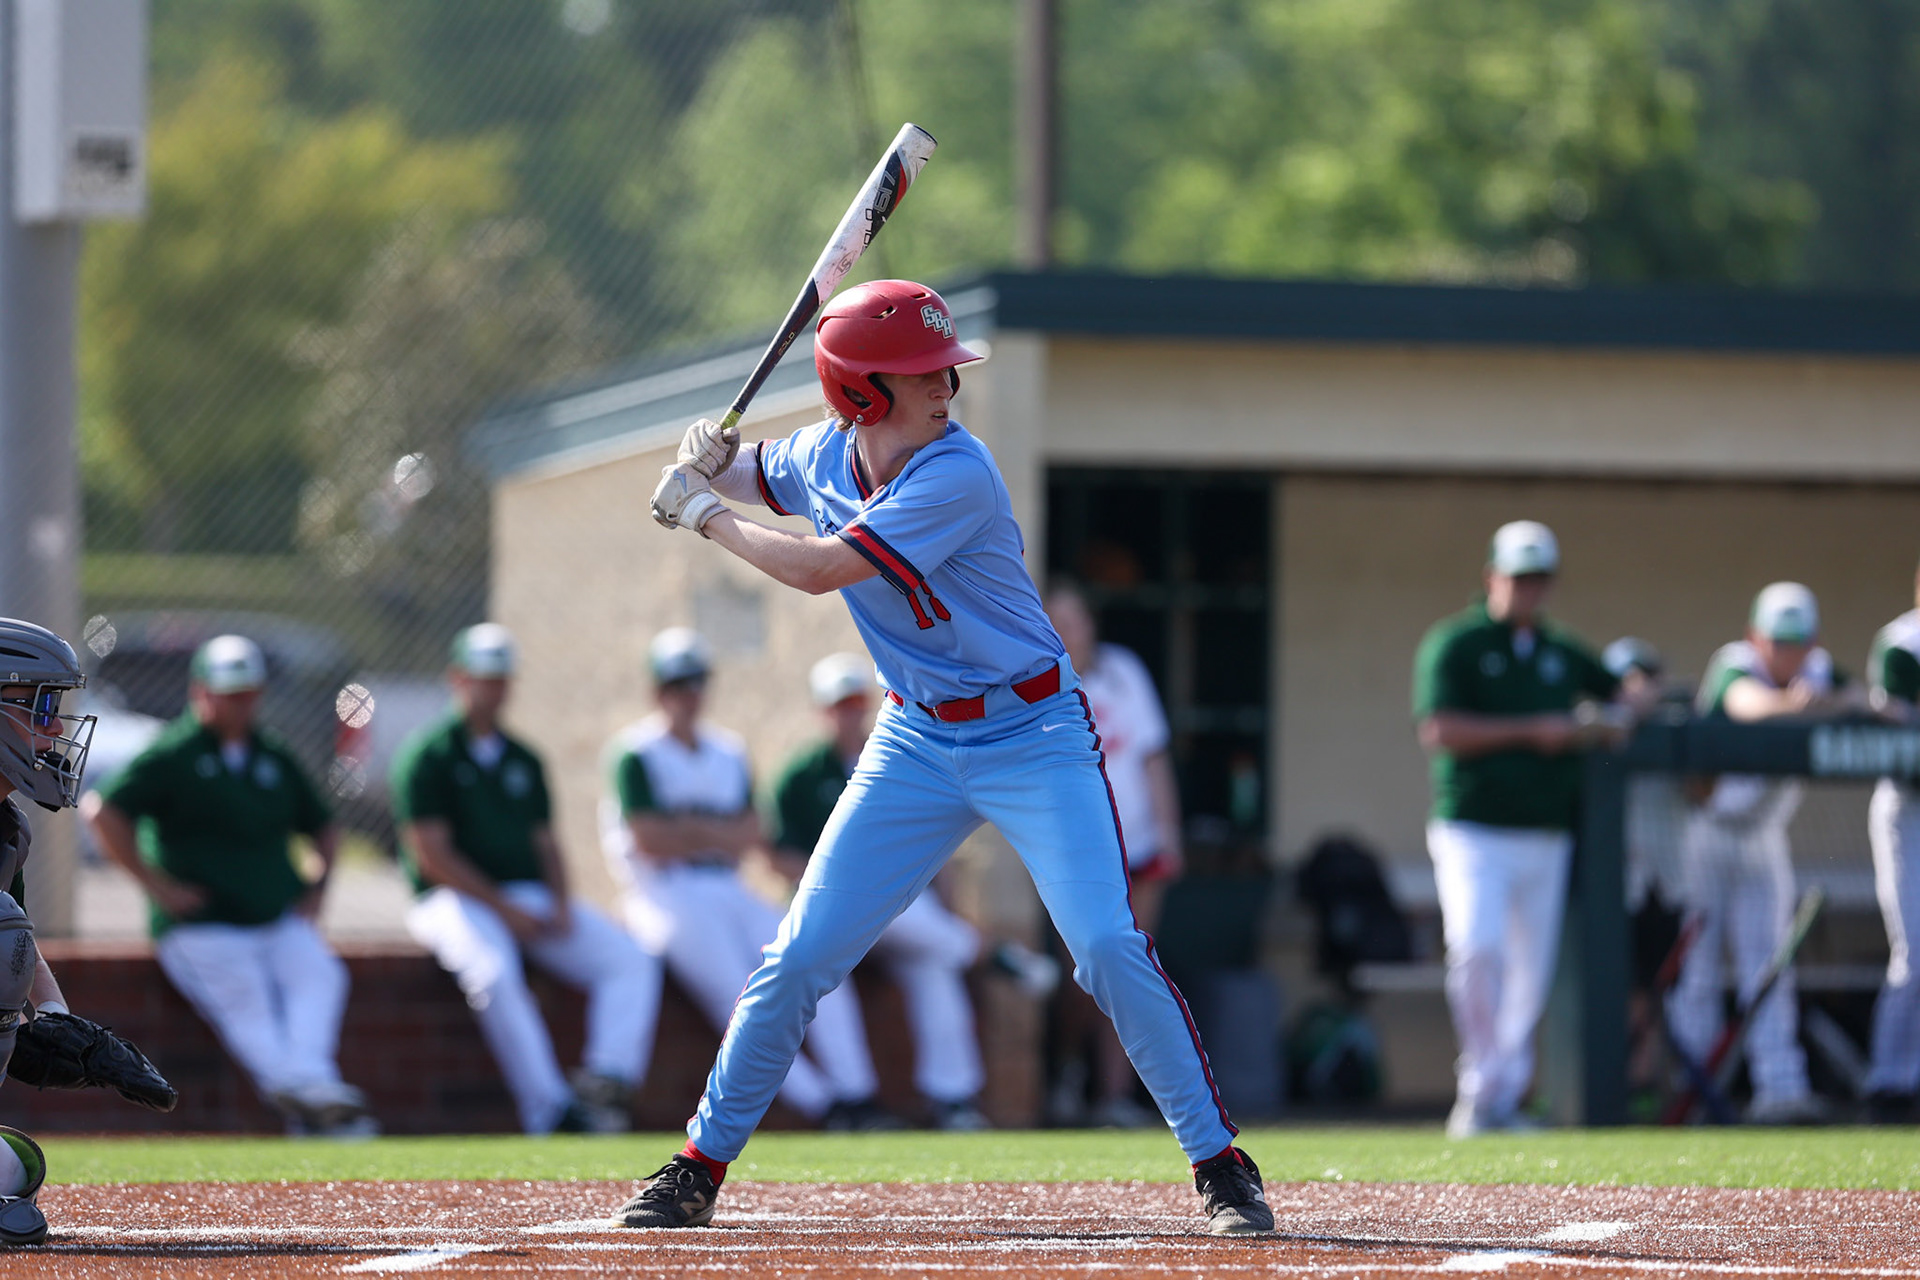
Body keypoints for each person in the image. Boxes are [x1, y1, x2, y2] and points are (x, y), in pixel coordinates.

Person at [624, 279, 1268, 1236]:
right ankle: (697, 1165)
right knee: (798, 955)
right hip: (917, 738)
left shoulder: (958, 471)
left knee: (1103, 947)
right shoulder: (819, 454)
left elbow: (819, 570)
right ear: (860, 392)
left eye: (944, 368)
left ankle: (1219, 1162)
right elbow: (760, 469)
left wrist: (703, 513)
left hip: (1033, 732)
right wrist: (713, 462)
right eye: (922, 372)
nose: (946, 385)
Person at [602, 630, 895, 1132]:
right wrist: (713, 832)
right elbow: (649, 840)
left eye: (695, 681)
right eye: (677, 684)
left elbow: (751, 835)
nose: (688, 693)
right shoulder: (636, 752)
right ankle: (824, 1106)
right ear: (657, 691)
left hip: (728, 885)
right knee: (735, 991)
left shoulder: (728, 751)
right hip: (662, 891)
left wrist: (687, 829)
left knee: (815, 957)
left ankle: (857, 1093)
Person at [84, 635, 375, 1138]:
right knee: (248, 1003)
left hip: (275, 915)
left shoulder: (272, 752)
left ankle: (309, 1093)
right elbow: (102, 812)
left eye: (249, 693)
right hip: (203, 924)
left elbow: (323, 825)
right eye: (230, 693)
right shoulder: (174, 752)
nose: (241, 704)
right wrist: (158, 887)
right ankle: (318, 1102)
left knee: (321, 974)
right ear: (201, 691)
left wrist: (317, 888)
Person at [1413, 521, 1640, 1138]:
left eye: (1538, 579)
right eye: (1518, 577)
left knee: (1528, 975)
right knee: (1475, 948)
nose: (1528, 590)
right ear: (1492, 577)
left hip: (1545, 831)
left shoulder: (1560, 651)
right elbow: (1439, 728)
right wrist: (1536, 729)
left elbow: (1623, 692)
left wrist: (1616, 712)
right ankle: (1480, 1088)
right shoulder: (1456, 643)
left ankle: (1504, 1096)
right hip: (1472, 829)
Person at [394, 623, 660, 1134]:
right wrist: (503, 908)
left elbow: (546, 843)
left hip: (525, 895)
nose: (493, 689)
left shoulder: (523, 757)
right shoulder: (428, 754)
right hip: (450, 899)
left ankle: (606, 1081)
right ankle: (551, 1111)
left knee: (629, 957)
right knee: (493, 974)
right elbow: (431, 856)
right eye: (483, 677)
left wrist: (559, 901)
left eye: (501, 678)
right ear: (458, 678)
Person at [766, 652, 989, 1131]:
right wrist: (842, 879)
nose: (849, 714)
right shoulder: (802, 774)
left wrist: (950, 905)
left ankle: (953, 1098)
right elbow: (777, 857)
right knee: (828, 978)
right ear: (823, 712)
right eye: (839, 706)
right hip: (831, 908)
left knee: (933, 967)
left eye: (855, 703)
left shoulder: (894, 761)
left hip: (899, 906)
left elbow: (934, 845)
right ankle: (856, 1098)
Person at [1668, 583, 1860, 1126]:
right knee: (1699, 970)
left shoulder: (1820, 671)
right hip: (1708, 831)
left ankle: (1781, 1090)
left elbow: (1865, 701)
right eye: (1777, 641)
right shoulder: (1734, 663)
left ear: (1812, 641)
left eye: (1796, 642)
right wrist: (1806, 706)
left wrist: (1830, 701)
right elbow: (1747, 706)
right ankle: (1691, 1092)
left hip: (1763, 835)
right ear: (1756, 636)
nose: (1785, 653)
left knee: (1770, 966)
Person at [1042, 581, 1184, 1128]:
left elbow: (1153, 756)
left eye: (1074, 619)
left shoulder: (1124, 672)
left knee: (1133, 972)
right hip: (1077, 853)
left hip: (1139, 845)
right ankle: (1066, 1071)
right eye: (1056, 621)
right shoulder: (1037, 680)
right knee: (1085, 975)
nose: (1068, 631)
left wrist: (1169, 833)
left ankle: (1114, 1095)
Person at [0, 619, 98, 1245]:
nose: (56, 728)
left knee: (15, 1168)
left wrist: (57, 1017)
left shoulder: (8, 828)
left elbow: (17, 936)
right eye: (39, 706)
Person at [1866, 566, 1920, 1120]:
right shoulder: (1904, 643)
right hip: (1909, 808)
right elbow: (1898, 722)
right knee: (1915, 952)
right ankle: (1889, 1084)